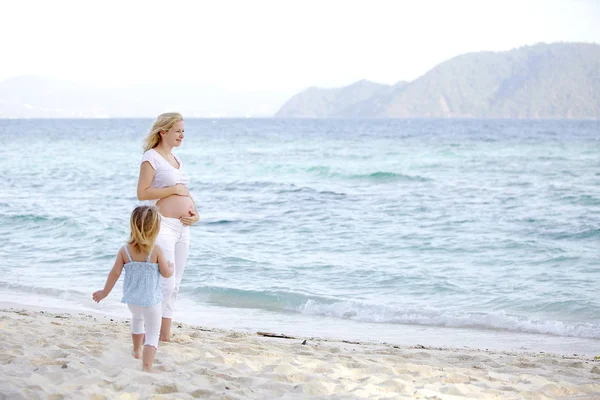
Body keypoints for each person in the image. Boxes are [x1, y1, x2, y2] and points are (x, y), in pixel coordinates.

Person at [136, 112, 200, 342]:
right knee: (166, 281)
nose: (182, 135)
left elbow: (184, 190)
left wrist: (196, 213)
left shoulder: (177, 160)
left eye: (183, 131)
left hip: (184, 227)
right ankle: (146, 330)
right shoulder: (151, 157)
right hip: (163, 225)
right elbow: (142, 193)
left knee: (176, 284)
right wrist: (172, 190)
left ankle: (164, 334)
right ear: (163, 132)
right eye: (177, 131)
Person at [92, 205, 173, 372]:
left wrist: (104, 292)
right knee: (152, 333)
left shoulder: (125, 250)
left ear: (133, 226)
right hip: (151, 302)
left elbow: (114, 273)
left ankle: (137, 351)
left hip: (132, 301)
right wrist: (171, 268)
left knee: (137, 320)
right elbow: (165, 274)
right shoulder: (155, 250)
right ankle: (147, 366)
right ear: (156, 228)